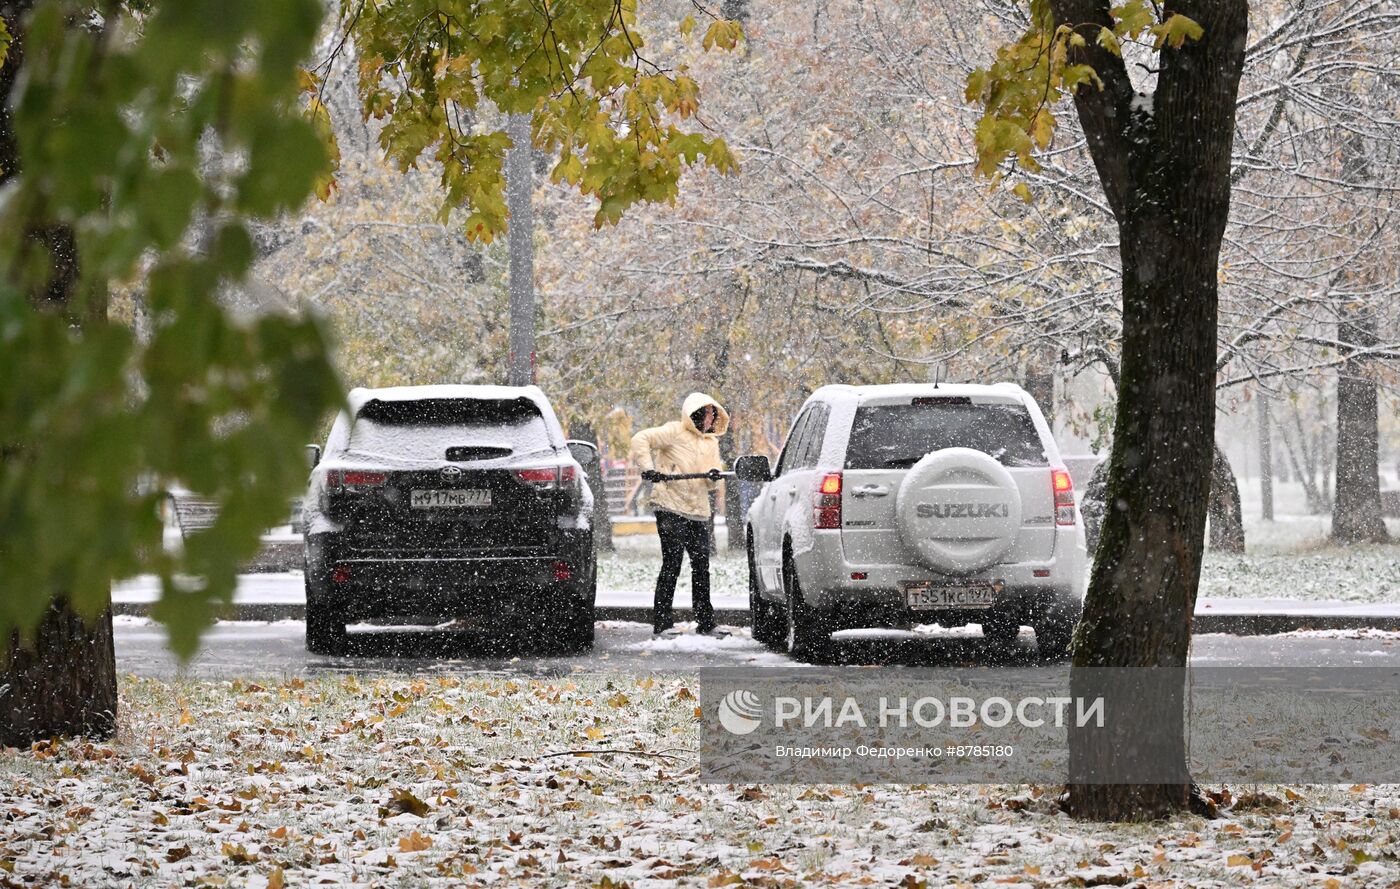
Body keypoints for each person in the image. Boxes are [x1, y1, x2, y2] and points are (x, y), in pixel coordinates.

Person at [629, 393, 730, 635]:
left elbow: (709, 481)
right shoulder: (673, 432)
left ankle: (706, 623)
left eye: (713, 414)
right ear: (695, 414)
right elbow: (640, 438)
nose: (710, 418)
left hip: (697, 511)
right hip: (669, 506)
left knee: (701, 566)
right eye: (707, 413)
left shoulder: (711, 443)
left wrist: (713, 477)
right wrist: (649, 469)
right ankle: (663, 623)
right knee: (673, 562)